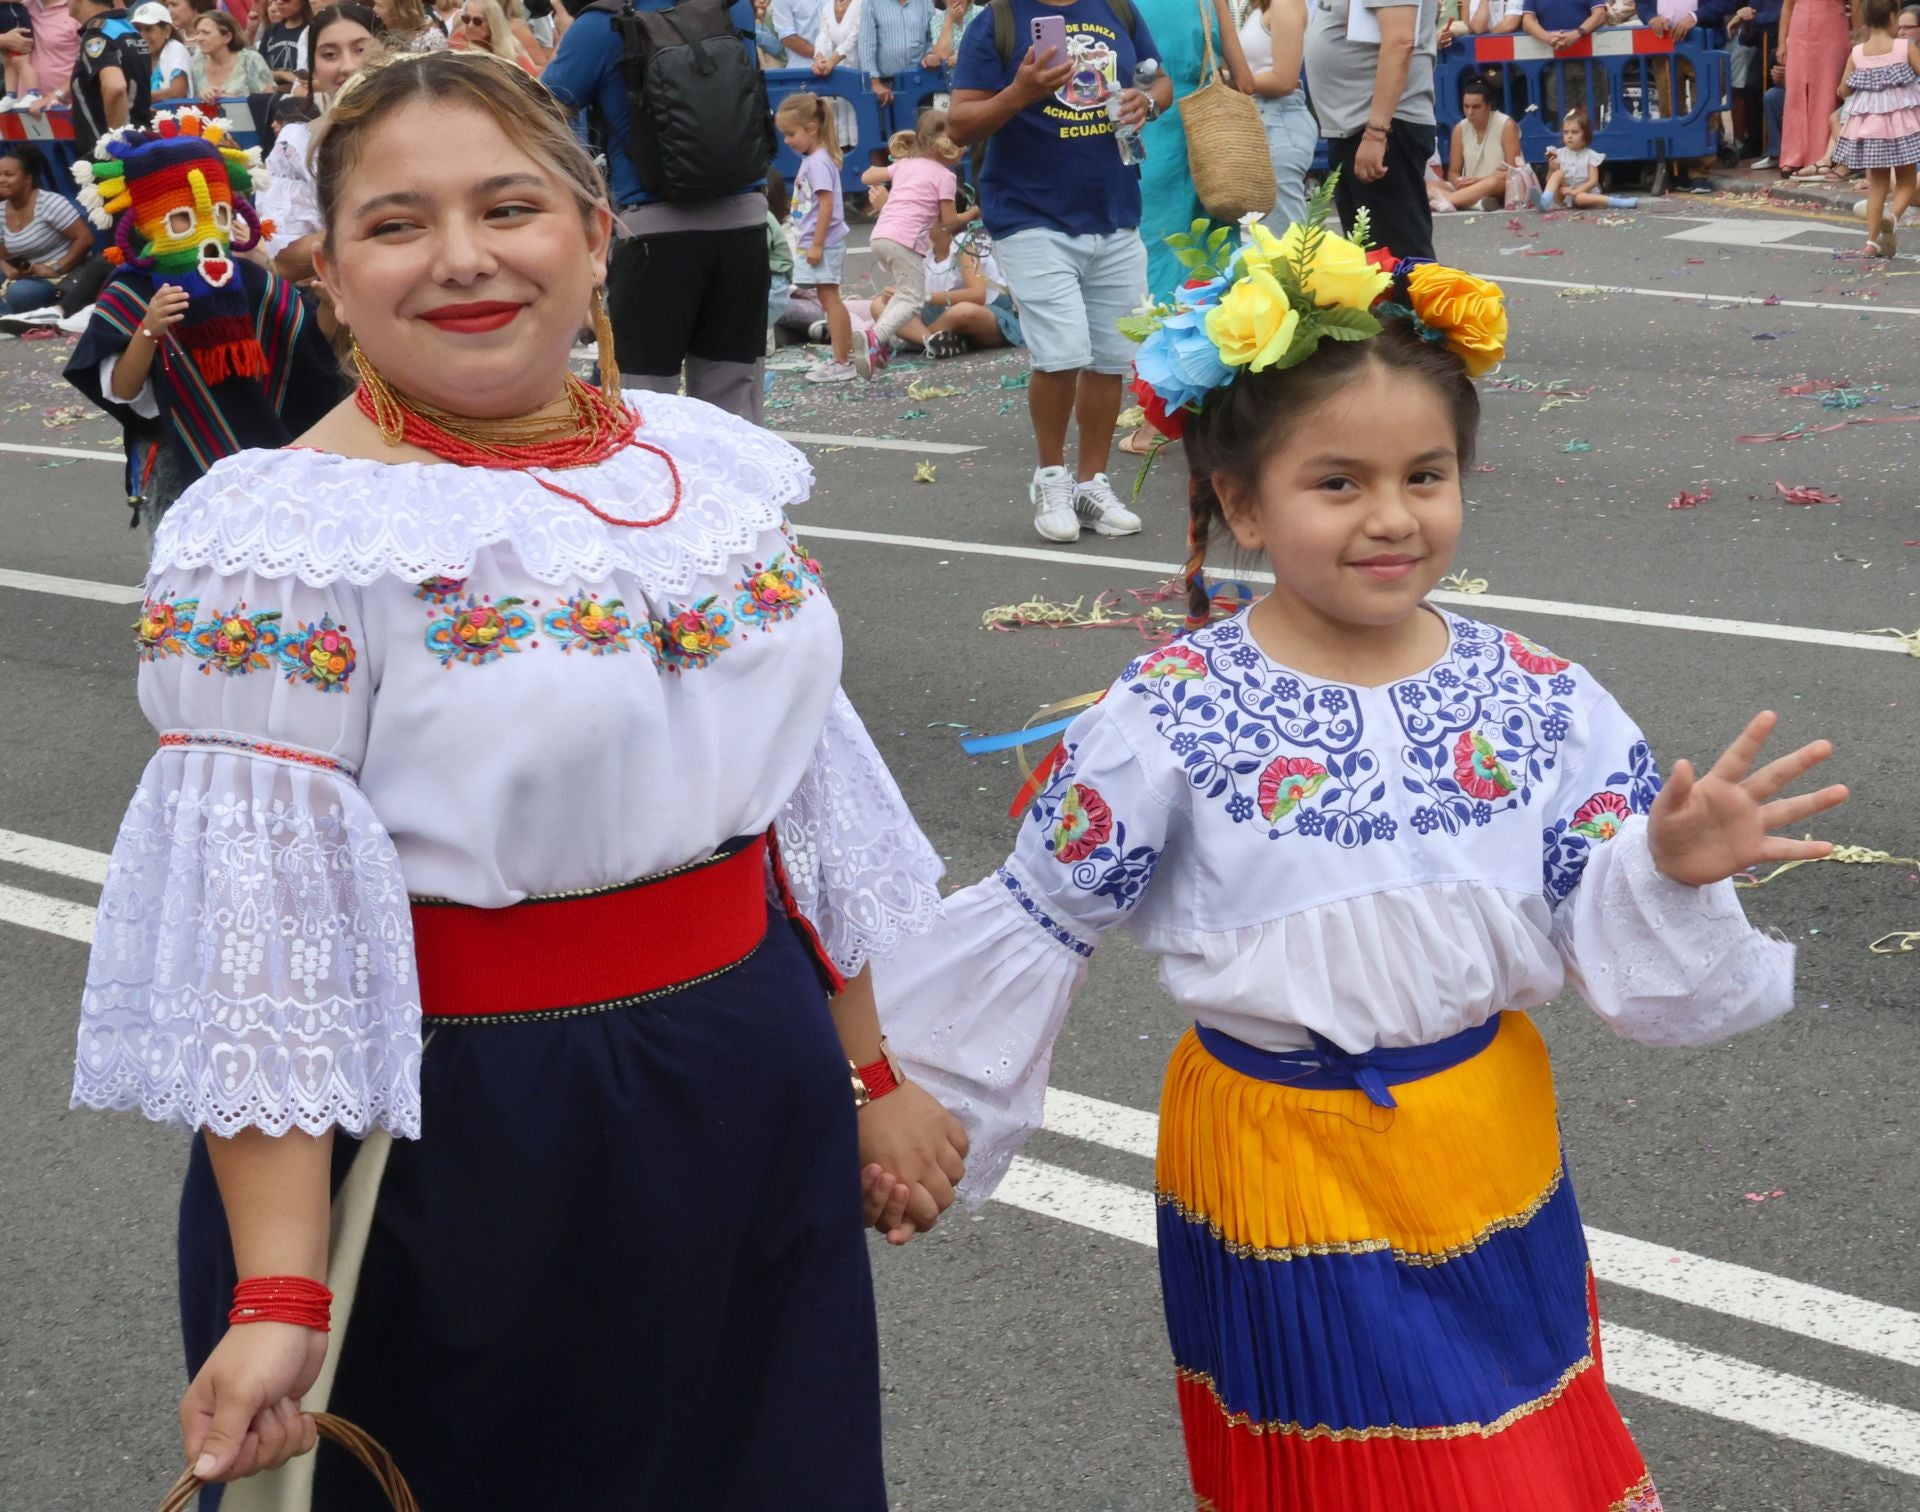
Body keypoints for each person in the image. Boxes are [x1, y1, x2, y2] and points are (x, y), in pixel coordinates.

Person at [70, 49, 965, 1510]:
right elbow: (267, 938)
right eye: (397, 223)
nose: (465, 258)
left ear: (595, 237)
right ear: (328, 272)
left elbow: (797, 790)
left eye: (509, 207)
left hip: (748, 1085)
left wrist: (868, 1072)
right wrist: (281, 1284)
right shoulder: (284, 540)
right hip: (468, 1130)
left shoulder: (701, 470)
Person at [876, 206, 1849, 1512]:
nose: (1392, 518)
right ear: (1240, 499)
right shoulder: (1173, 711)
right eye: (1339, 483)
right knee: (1354, 1476)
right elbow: (1040, 920)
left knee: (1523, 1447)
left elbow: (1602, 919)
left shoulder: (1538, 694)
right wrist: (920, 1114)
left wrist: (1667, 865)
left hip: (1487, 1141)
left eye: (1425, 476)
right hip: (1276, 1160)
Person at [949, 0, 1171, 542]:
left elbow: (1159, 80)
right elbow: (958, 125)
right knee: (1061, 353)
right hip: (1030, 213)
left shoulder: (1117, 9)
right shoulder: (996, 21)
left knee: (1110, 359)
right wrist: (1019, 92)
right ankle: (1051, 479)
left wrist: (1146, 102)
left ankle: (1092, 485)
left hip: (1114, 209)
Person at [63, 108, 343, 527]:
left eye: (219, 214)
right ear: (148, 221)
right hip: (178, 459)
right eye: (182, 219)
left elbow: (309, 351)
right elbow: (122, 388)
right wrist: (149, 330)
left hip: (267, 458)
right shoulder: (132, 291)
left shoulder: (250, 280)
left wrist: (329, 307)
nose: (207, 232)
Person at [543, 0, 772, 421]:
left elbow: (540, 112)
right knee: (734, 397)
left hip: (654, 230)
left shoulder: (600, 24)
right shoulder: (731, 7)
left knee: (639, 399)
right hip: (745, 222)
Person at [1305, 0, 1438, 262]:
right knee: (1372, 264)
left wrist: (1376, 133)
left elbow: (1400, 40)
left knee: (1398, 263)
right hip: (1358, 126)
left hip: (1381, 127)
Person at [258, 2, 380, 278]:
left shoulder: (423, 127)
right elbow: (285, 256)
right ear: (313, 68)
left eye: (361, 50)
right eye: (329, 55)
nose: (348, 66)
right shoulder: (299, 144)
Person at [779, 90, 870, 381]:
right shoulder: (815, 159)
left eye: (791, 134)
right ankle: (840, 357)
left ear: (811, 128)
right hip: (818, 241)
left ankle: (842, 360)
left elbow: (827, 205)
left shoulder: (818, 162)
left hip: (824, 242)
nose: (787, 140)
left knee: (830, 300)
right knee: (828, 299)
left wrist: (816, 244)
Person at [865, 107, 965, 363]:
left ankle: (878, 343)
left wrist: (897, 166)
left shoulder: (905, 165)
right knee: (913, 299)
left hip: (880, 236)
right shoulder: (945, 176)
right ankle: (875, 337)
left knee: (903, 293)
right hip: (904, 242)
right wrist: (974, 213)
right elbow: (950, 222)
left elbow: (867, 176)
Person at [1833, 0, 1920, 251]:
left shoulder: (1858, 53)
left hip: (1871, 129)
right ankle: (1892, 218)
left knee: (1877, 186)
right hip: (1904, 127)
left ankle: (1871, 242)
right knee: (1906, 181)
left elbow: (1843, 90)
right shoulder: (1905, 47)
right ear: (1893, 16)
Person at [874, 221, 1023, 355]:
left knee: (963, 311)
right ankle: (930, 342)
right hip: (940, 316)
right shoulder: (926, 253)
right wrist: (898, 293)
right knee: (878, 305)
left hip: (987, 313)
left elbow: (977, 295)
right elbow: (914, 289)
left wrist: (924, 296)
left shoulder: (964, 244)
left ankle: (916, 341)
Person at [1237, 0, 1313, 231]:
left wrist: (1230, 79)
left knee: (1285, 238)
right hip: (1263, 119)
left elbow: (1284, 80)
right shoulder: (1259, 7)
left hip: (1278, 119)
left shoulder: (1285, 3)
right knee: (1269, 236)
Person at [0, 140, 98, 319]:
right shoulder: (1, 211)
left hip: (64, 274)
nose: (1, 180)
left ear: (28, 179)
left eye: (8, 175)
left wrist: (57, 268)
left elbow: (85, 238)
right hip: (29, 274)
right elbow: (2, 253)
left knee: (20, 293)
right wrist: (9, 269)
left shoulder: (49, 203)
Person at [1779, 0, 1855, 175]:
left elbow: (1856, 4)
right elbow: (1787, 6)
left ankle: (1821, 156)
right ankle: (1792, 156)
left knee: (1826, 92)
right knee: (1795, 93)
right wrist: (1782, 42)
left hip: (1832, 29)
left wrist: (1857, 36)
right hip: (1799, 30)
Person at [67, 0, 150, 160]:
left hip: (108, 158)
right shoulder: (128, 30)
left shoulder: (97, 35)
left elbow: (115, 87)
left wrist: (116, 146)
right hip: (140, 146)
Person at [1434, 74, 1518, 209]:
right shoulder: (1459, 128)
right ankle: (1475, 203)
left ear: (1488, 105)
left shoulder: (1506, 125)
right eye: (1466, 106)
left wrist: (1479, 181)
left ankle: (1447, 200)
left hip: (1496, 186)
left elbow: (1514, 171)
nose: (1470, 112)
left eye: (1476, 107)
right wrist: (1459, 181)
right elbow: (1453, 172)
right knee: (1429, 185)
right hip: (1467, 187)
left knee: (1493, 182)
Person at [1538, 104, 1641, 204]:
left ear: (1585, 135)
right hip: (1564, 195)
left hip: (1584, 192)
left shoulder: (1590, 156)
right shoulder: (1559, 153)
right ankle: (1545, 201)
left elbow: (1593, 181)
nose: (1569, 136)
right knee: (1558, 174)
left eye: (1574, 132)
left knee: (1580, 198)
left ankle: (1617, 202)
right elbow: (1549, 181)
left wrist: (1576, 192)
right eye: (1566, 132)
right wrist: (1551, 170)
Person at [858, 0, 934, 106]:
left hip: (920, 81)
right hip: (886, 86)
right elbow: (866, 45)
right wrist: (874, 82)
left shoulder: (925, 3)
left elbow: (933, 37)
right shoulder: (871, 3)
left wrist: (930, 54)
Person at [189, 11, 273, 96]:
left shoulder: (249, 60)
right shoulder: (197, 66)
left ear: (227, 37)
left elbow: (269, 99)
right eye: (198, 33)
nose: (199, 38)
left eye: (206, 33)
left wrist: (230, 99)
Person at [131, 0, 188, 96]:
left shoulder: (176, 49)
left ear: (167, 30)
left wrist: (140, 99)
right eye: (138, 29)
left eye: (149, 29)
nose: (142, 36)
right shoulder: (136, 55)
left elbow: (177, 92)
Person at [452, 0, 531, 62]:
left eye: (477, 21)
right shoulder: (456, 45)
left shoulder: (514, 55)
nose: (470, 25)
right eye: (466, 19)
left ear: (492, 24)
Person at [255, 0, 311, 78]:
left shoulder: (312, 31)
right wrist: (282, 75)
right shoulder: (271, 30)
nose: (279, 2)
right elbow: (258, 71)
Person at [811, 0, 859, 69]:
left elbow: (855, 37)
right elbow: (824, 35)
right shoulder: (828, 6)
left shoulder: (862, 3)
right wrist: (819, 57)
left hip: (860, 69)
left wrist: (832, 61)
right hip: (836, 70)